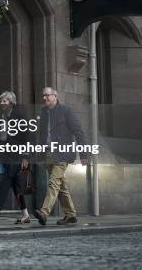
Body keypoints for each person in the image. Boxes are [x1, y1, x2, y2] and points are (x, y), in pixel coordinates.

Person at [33, 87, 89, 226]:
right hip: (48, 153)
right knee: (60, 185)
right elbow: (41, 136)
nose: (45, 98)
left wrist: (84, 154)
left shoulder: (66, 111)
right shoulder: (44, 113)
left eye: (47, 95)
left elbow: (79, 132)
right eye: (43, 96)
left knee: (53, 182)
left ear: (55, 96)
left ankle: (44, 212)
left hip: (63, 153)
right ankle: (70, 214)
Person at [0, 91, 32, 225]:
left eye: (4, 101)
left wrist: (26, 156)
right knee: (16, 186)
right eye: (1, 101)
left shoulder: (20, 116)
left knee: (5, 182)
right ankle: (25, 214)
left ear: (11, 102)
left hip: (17, 155)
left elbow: (27, 137)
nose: (2, 103)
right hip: (5, 155)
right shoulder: (0, 116)